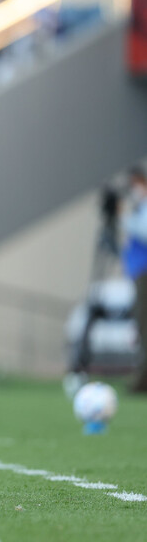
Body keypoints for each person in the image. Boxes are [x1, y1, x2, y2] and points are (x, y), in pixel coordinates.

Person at [123, 167, 147, 393]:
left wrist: (125, 219)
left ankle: (143, 381)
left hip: (145, 273)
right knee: (140, 326)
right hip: (138, 272)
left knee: (145, 325)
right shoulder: (139, 209)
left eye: (134, 184)